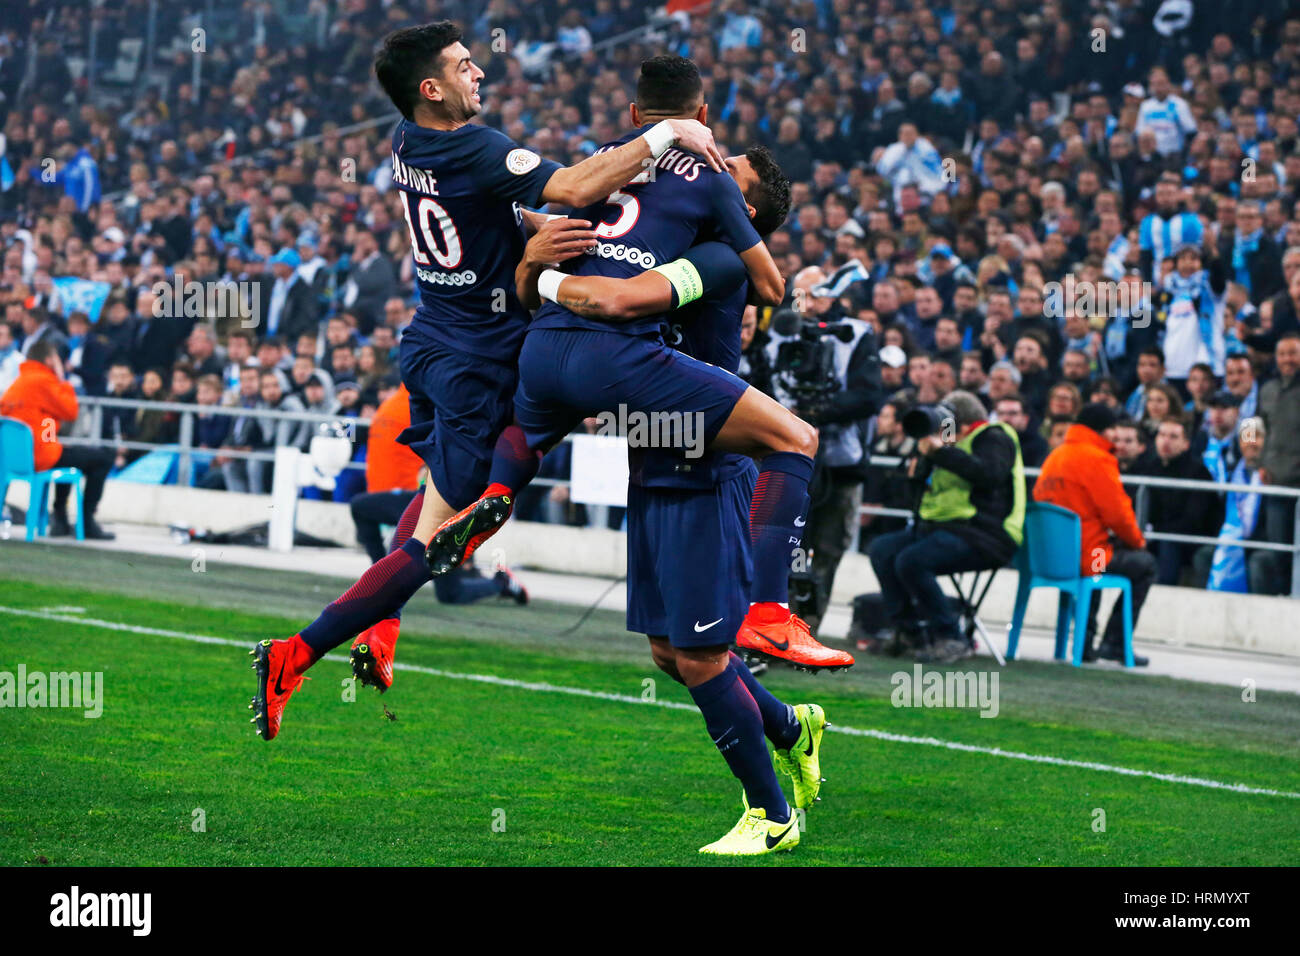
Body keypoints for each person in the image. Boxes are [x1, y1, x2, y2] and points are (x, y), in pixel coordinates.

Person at [251, 24, 733, 741]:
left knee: (437, 505)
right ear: (432, 88)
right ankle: (294, 653)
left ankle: (380, 629)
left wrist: (537, 236)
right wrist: (664, 135)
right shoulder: (475, 144)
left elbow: (496, 210)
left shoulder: (407, 142)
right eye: (464, 65)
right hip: (477, 359)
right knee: (440, 536)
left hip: (437, 340)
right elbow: (569, 186)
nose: (480, 74)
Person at [427, 59, 853, 672]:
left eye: (732, 171)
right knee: (669, 653)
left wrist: (533, 272)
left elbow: (618, 292)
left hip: (697, 454)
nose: (719, 161)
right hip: (656, 426)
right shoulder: (695, 212)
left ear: (635, 117)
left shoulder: (641, 193)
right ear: (700, 119)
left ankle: (499, 492)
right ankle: (775, 647)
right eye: (722, 157)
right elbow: (755, 287)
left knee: (696, 654)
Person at [868, 389, 1025, 663]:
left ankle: (951, 637)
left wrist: (941, 452)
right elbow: (914, 497)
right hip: (945, 529)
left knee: (912, 561)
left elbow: (989, 474)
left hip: (989, 534)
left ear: (962, 424)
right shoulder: (946, 444)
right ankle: (910, 632)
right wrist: (918, 467)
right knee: (882, 550)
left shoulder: (994, 436)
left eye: (946, 424)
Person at [1033, 403, 1155, 665]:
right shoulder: (1097, 459)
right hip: (1088, 558)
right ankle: (1115, 644)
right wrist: (1138, 542)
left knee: (1098, 559)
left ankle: (1085, 643)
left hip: (1049, 557)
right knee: (1143, 565)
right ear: (1103, 430)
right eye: (1112, 429)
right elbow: (1118, 514)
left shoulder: (1056, 456)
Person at [0, 339, 115, 539]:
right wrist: (63, 380)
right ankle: (86, 522)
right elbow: (71, 411)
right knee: (104, 457)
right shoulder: (44, 379)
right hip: (41, 457)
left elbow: (43, 421)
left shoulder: (20, 381)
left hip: (15, 460)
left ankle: (60, 520)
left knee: (70, 455)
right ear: (49, 360)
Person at [1133, 416, 1224, 585]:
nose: (1166, 441)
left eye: (1173, 437)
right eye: (1162, 435)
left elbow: (1193, 520)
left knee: (1168, 544)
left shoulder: (1198, 472)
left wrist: (1155, 532)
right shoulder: (1150, 468)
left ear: (1186, 444)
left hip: (1191, 539)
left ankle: (1162, 593)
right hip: (1156, 535)